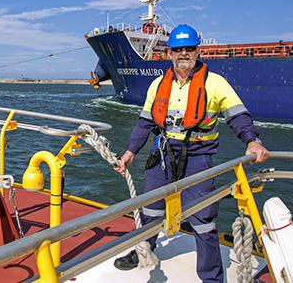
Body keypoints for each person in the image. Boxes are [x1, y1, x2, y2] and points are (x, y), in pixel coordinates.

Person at [113, 24, 269, 282]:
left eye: (188, 48)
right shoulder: (157, 86)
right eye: (178, 49)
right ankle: (144, 250)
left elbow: (238, 116)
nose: (183, 53)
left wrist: (252, 141)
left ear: (197, 51)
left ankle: (211, 277)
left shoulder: (216, 84)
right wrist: (130, 151)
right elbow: (145, 123)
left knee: (203, 219)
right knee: (149, 209)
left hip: (198, 157)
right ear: (169, 54)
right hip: (162, 155)